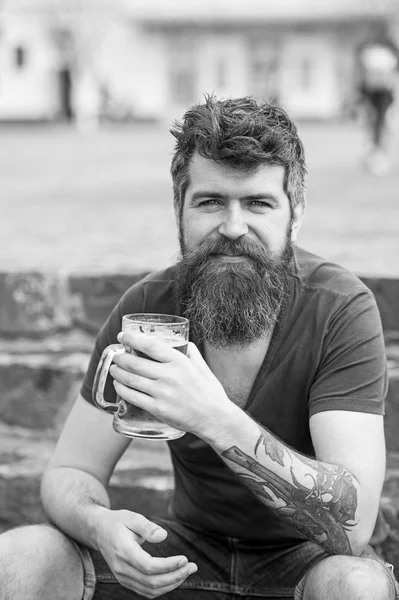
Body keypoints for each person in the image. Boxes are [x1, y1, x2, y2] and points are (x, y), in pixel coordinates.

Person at [0, 96, 396, 600]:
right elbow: (70, 471)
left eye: (258, 203)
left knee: (357, 584)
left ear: (294, 215)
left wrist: (213, 416)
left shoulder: (340, 309)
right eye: (210, 202)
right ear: (179, 209)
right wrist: (100, 525)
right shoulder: (149, 307)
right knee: (20, 558)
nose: (233, 227)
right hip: (186, 556)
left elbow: (354, 524)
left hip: (309, 562)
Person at [356, 25, 399, 174]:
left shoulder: (387, 53)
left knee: (382, 124)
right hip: (373, 94)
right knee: (372, 124)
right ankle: (374, 154)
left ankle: (379, 155)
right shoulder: (371, 52)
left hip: (384, 95)